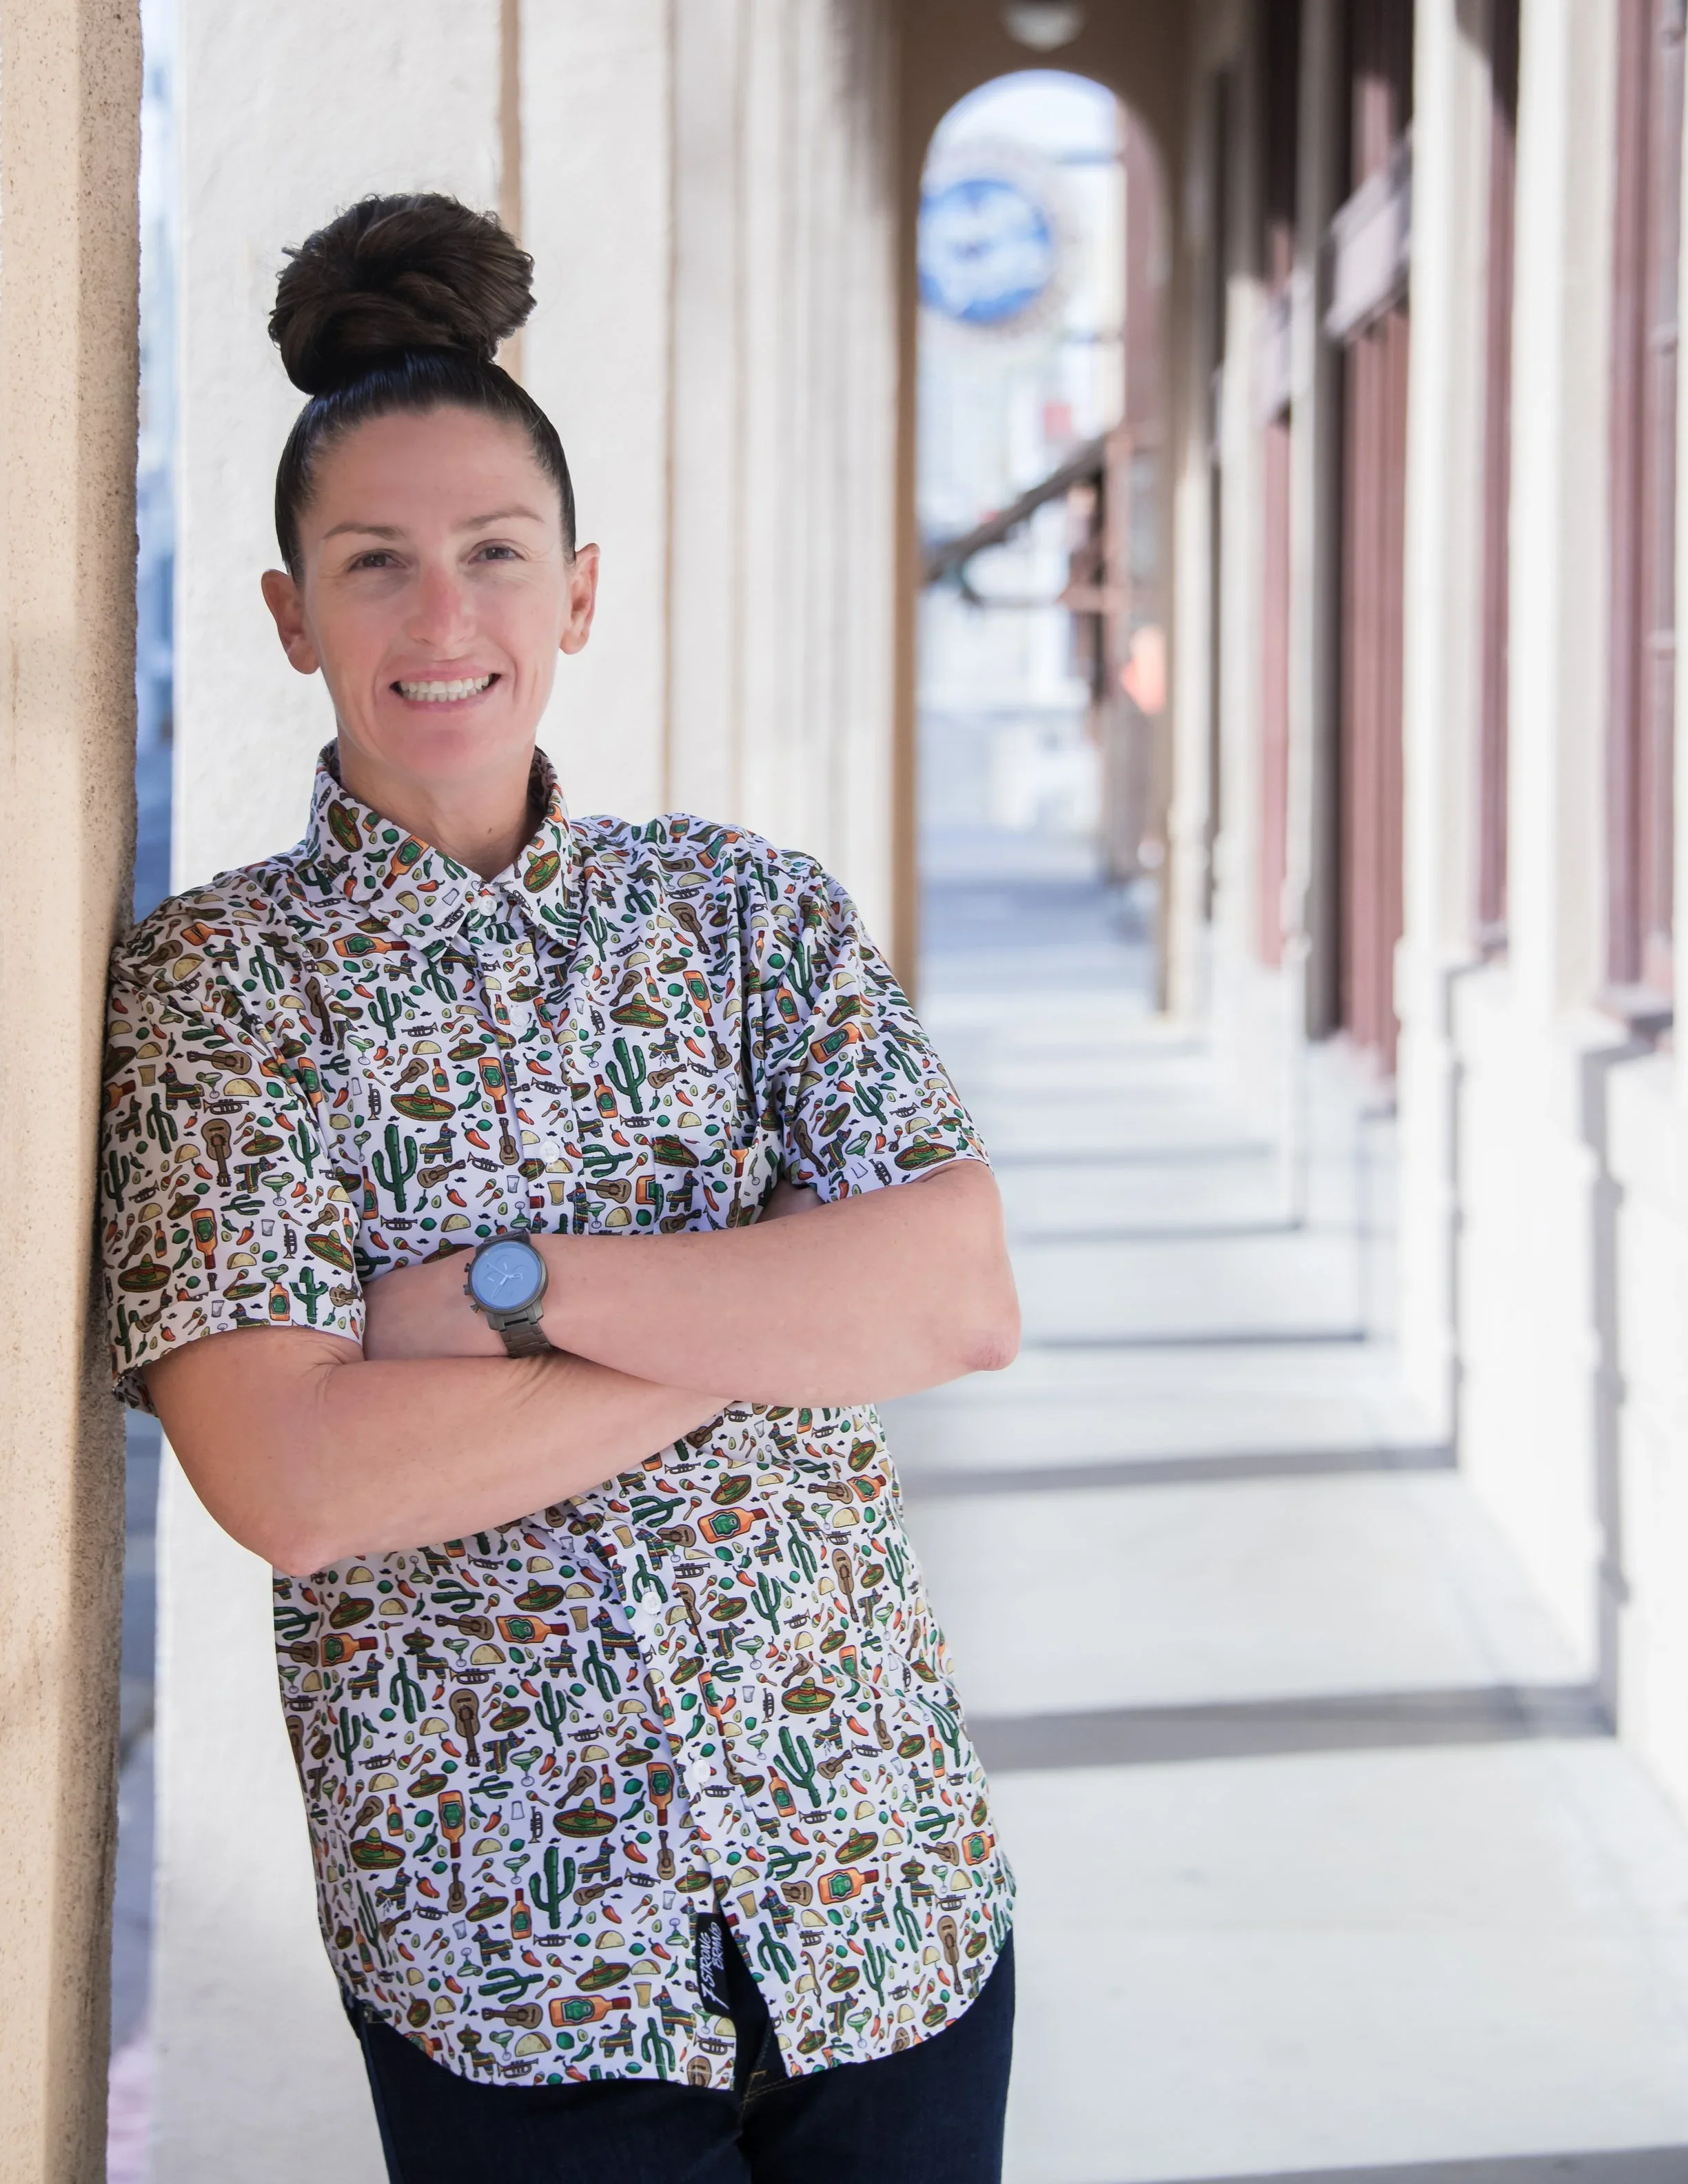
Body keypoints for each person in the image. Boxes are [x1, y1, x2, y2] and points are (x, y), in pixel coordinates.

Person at [100, 194, 1020, 2184]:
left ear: (579, 591)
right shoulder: (218, 988)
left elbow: (954, 1298)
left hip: (878, 1883)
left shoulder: (748, 912)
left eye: (494, 557)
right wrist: (774, 1312)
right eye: (376, 566)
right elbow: (296, 1481)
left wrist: (508, 1289)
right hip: (511, 1966)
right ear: (290, 616)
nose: (444, 623)